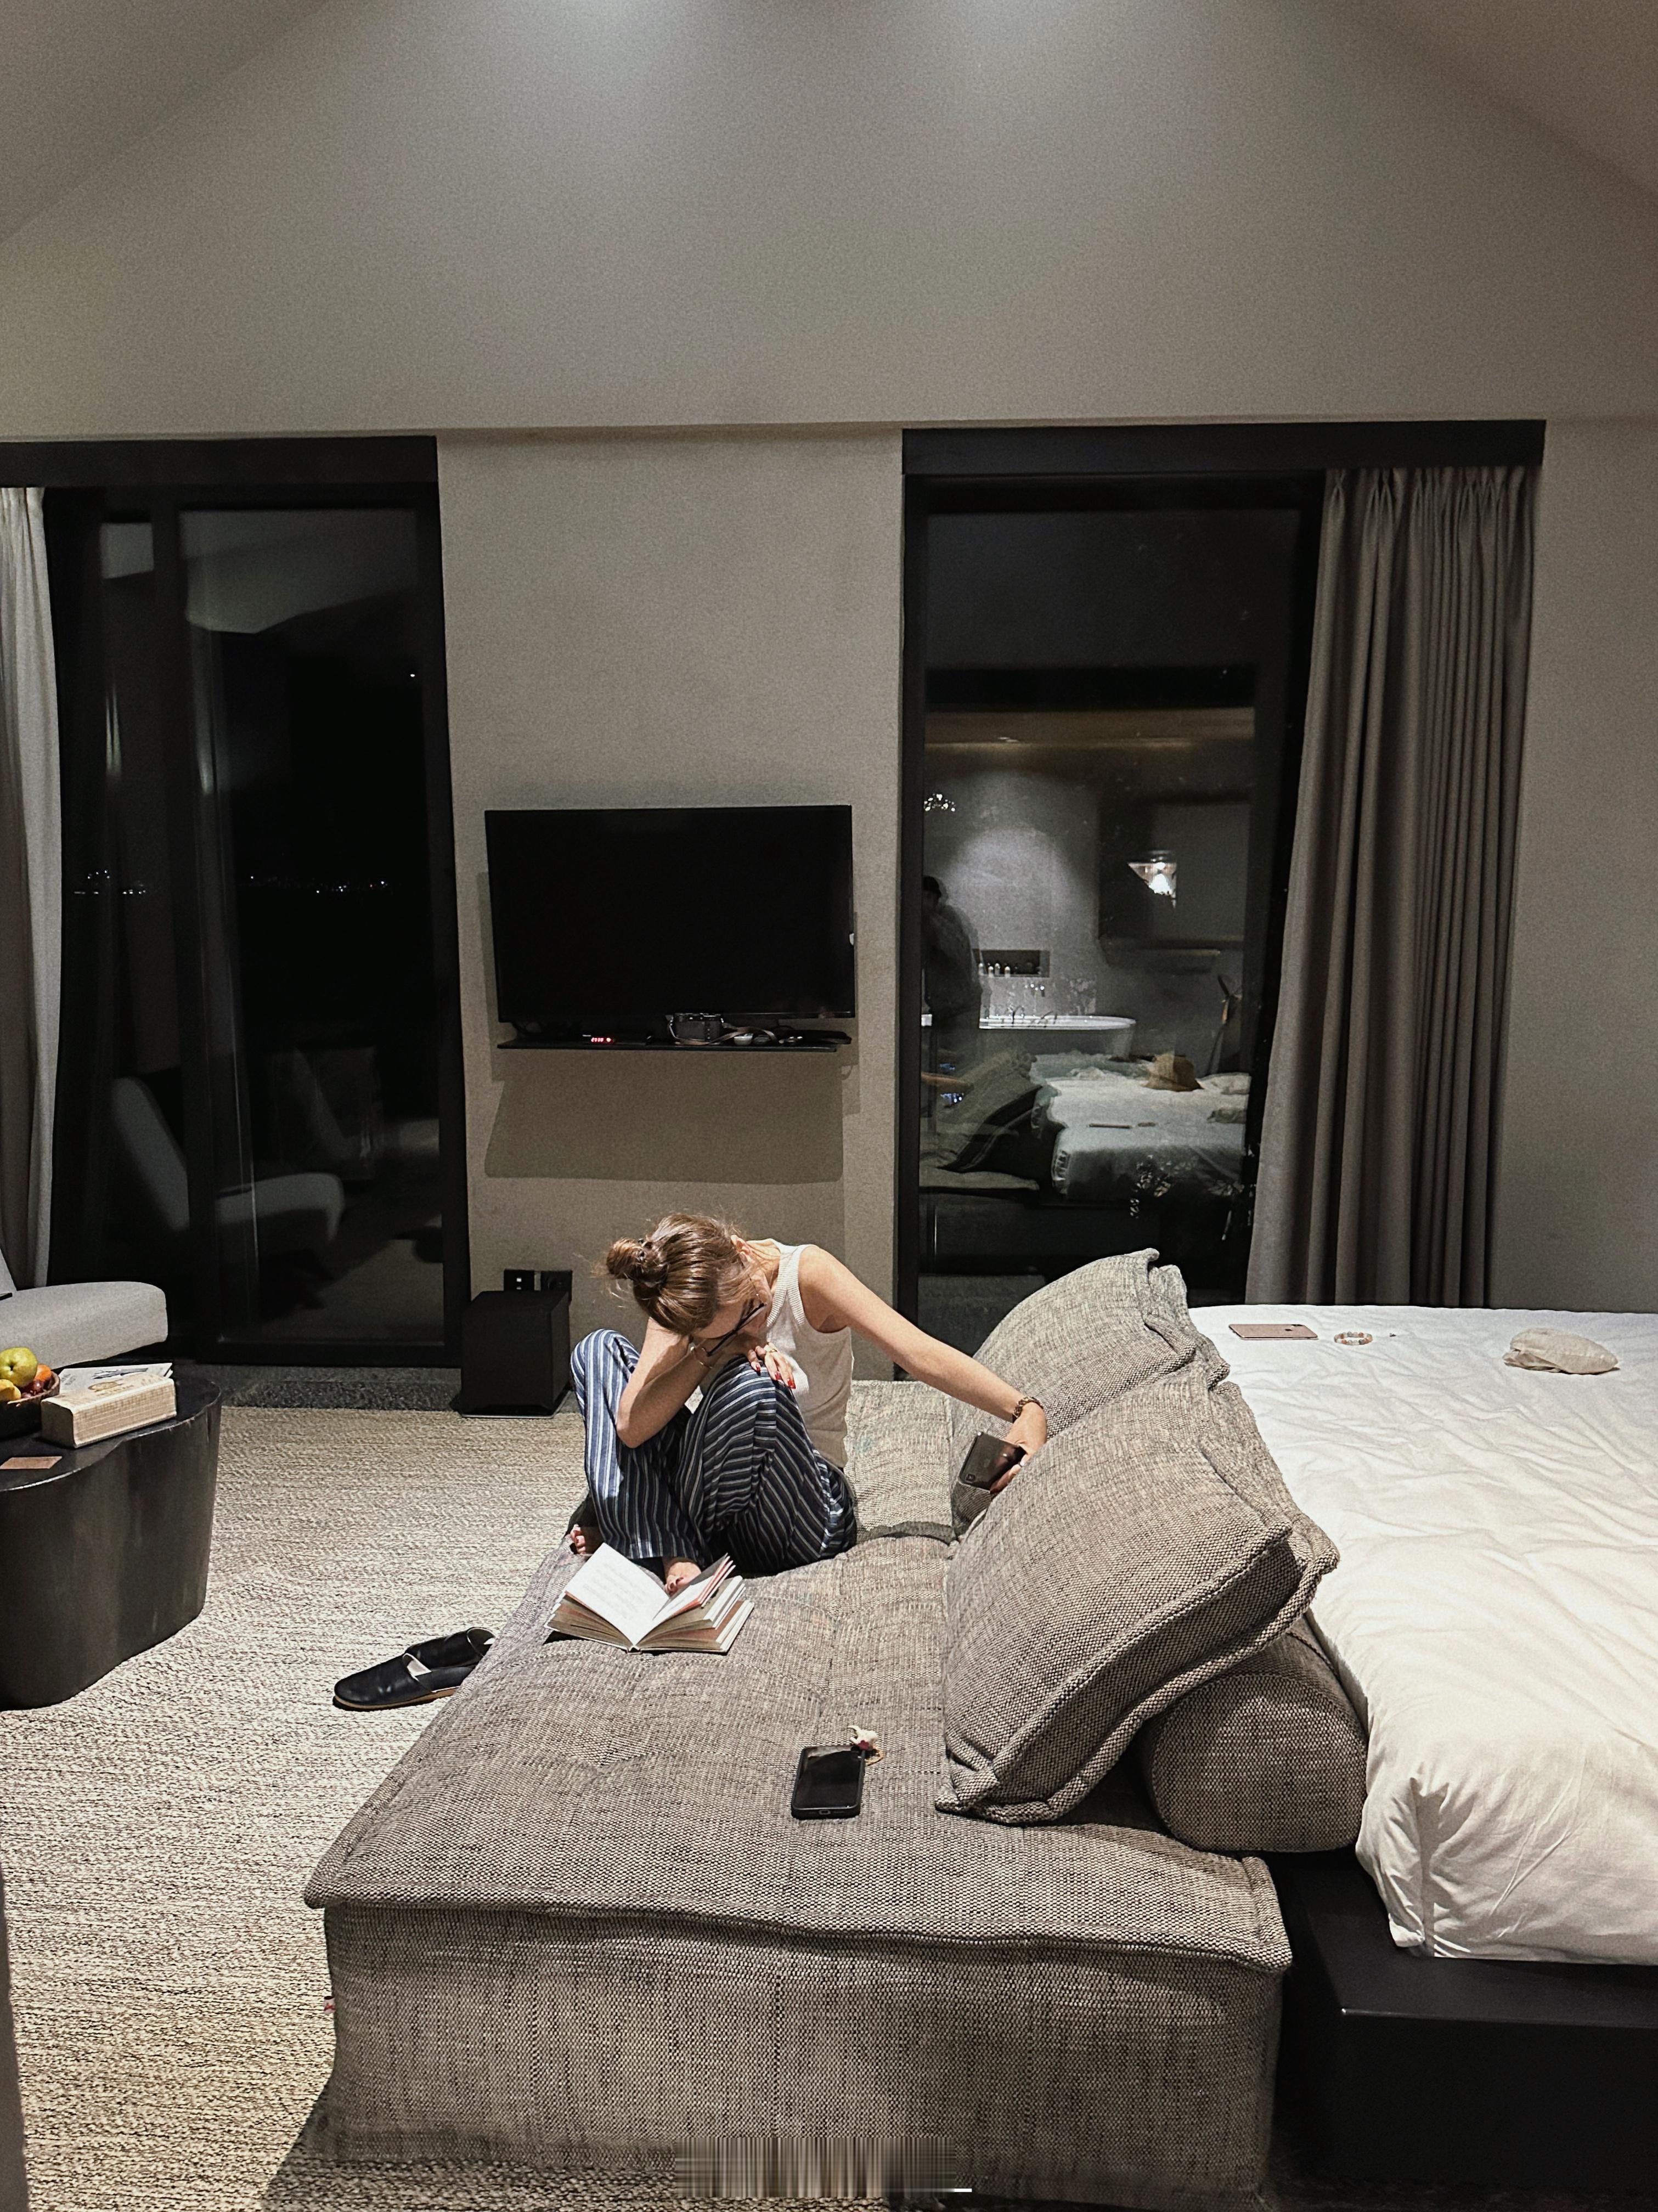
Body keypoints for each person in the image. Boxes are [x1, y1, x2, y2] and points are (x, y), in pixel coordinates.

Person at [568, 1212, 1047, 1593]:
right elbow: (630, 1424)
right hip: (719, 1500)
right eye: (724, 1330)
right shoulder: (680, 1292)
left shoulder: (808, 1274)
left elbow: (916, 1352)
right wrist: (712, 1351)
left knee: (754, 1387)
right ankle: (666, 1540)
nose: (753, 1326)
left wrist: (1022, 1407)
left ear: (740, 1251)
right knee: (599, 1350)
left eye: (752, 1308)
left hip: (805, 1507)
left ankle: (641, 1529)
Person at [921, 874, 980, 1073]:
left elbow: (957, 953)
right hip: (943, 1007)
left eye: (928, 898)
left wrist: (932, 920)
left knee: (961, 1065)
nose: (924, 903)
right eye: (921, 897)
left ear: (936, 900)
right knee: (944, 1064)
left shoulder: (946, 919)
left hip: (961, 1007)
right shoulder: (927, 923)